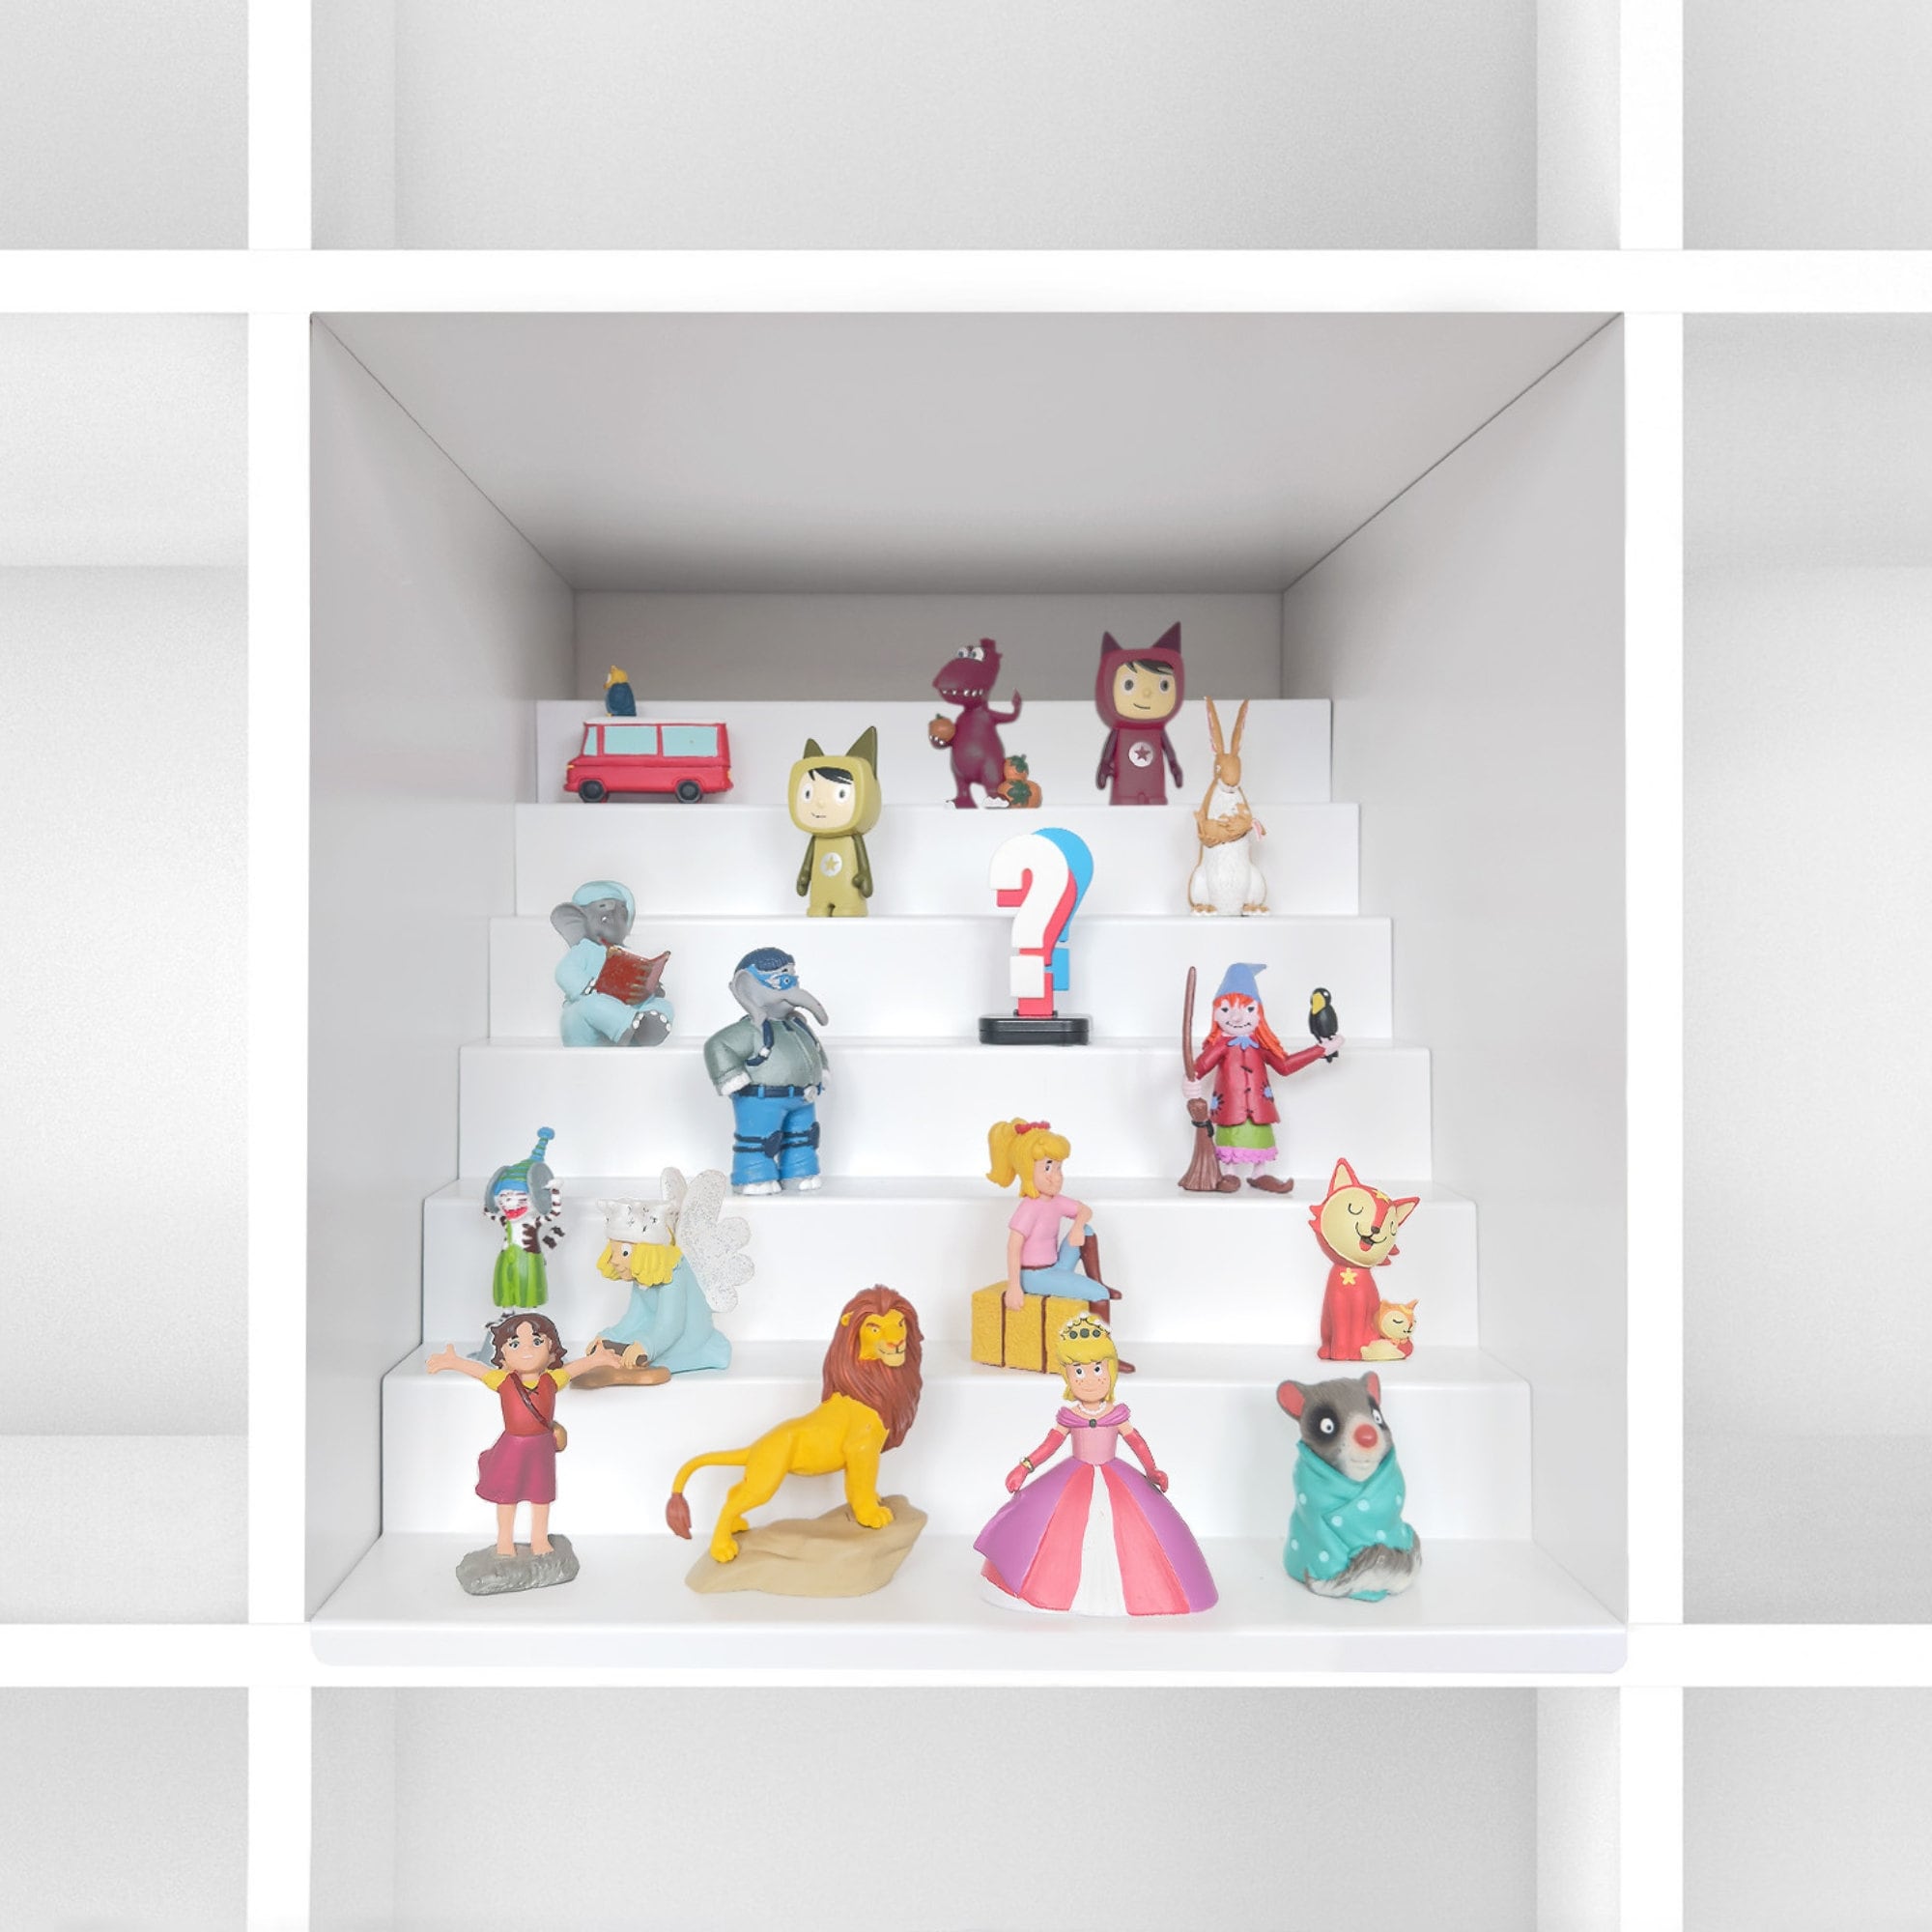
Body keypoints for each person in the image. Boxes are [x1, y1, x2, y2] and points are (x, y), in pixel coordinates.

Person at [974, 1316, 1216, 1617]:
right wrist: (1024, 1467)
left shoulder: (1116, 1414)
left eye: (1097, 1369)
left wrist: (1152, 1470)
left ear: (1111, 1369)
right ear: (1067, 1376)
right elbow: (1050, 1444)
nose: (1089, 1379)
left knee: (1138, 1532)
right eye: (1079, 1370)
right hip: (1071, 1479)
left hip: (1118, 1479)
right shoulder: (1070, 1416)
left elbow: (1137, 1442)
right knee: (1050, 1529)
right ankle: (1046, 1587)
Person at [429, 1312, 600, 1556]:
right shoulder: (503, 1380)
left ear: (552, 1352)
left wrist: (597, 1359)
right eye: (515, 1344)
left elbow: (574, 1369)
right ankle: (504, 1540)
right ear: (503, 1356)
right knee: (507, 1496)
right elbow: (478, 1370)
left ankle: (539, 1539)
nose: (527, 1350)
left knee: (541, 1495)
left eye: (537, 1341)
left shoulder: (552, 1380)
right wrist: (454, 1362)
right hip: (512, 1447)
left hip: (541, 1448)